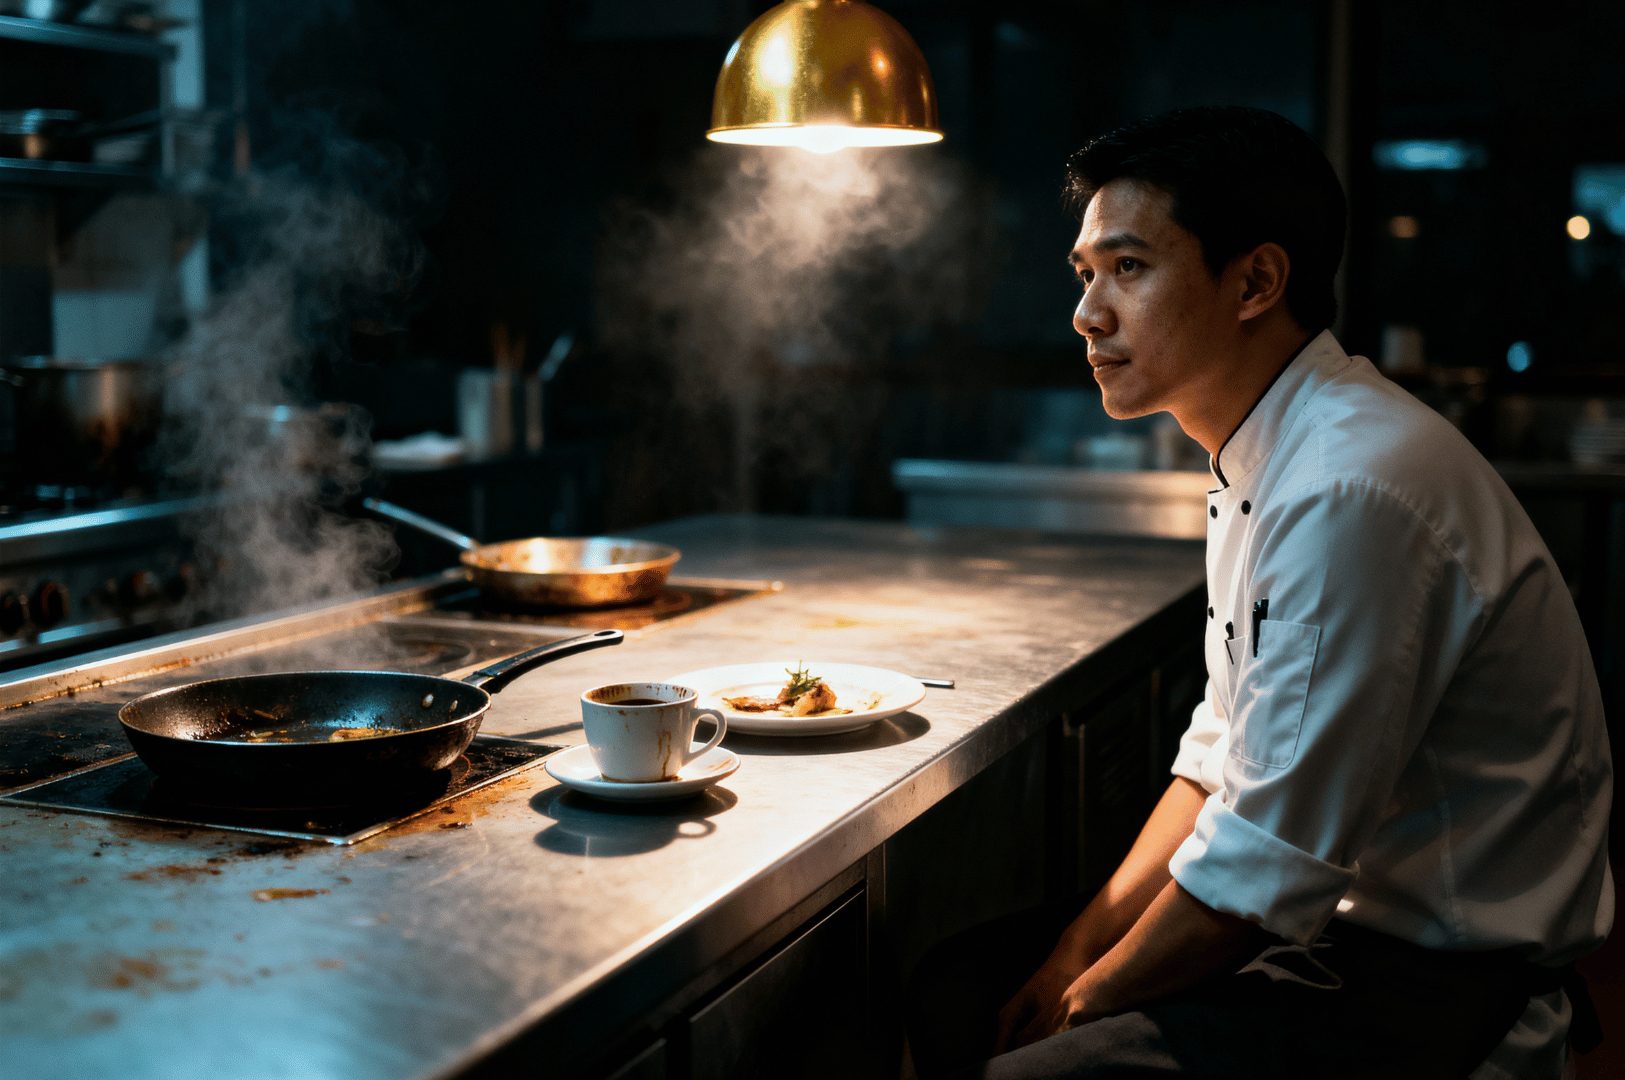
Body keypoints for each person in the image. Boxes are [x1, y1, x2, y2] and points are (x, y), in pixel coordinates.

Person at [906, 106, 1613, 1080]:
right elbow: (1218, 755)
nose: (1086, 314)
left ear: (1255, 281)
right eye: (1083, 275)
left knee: (1031, 1066)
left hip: (1432, 989)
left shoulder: (1346, 481)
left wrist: (1079, 1003)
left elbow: (1268, 861)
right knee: (959, 986)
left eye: (1127, 269)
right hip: (1327, 936)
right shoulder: (1265, 450)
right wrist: (1074, 948)